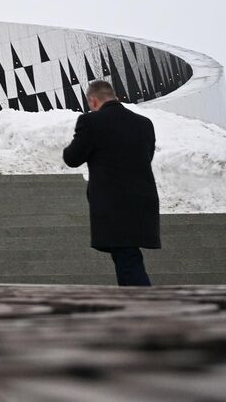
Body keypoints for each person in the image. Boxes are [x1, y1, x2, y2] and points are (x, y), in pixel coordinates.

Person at [62, 79, 161, 287]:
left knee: (127, 259)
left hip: (114, 204)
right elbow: (147, 156)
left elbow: (72, 158)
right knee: (127, 255)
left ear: (93, 101)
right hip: (143, 200)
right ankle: (137, 305)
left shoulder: (91, 122)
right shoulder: (144, 124)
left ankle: (144, 305)